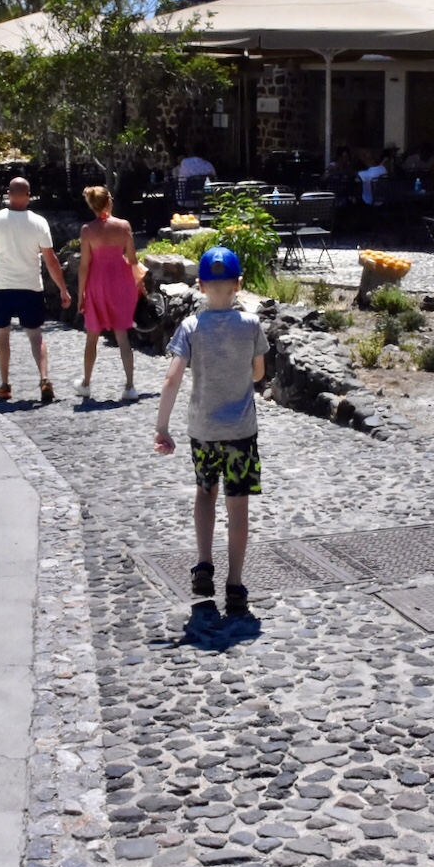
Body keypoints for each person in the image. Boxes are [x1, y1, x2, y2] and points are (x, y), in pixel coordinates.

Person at [153, 247, 268, 616]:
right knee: (238, 505)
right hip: (241, 433)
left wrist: (162, 427)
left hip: (203, 431)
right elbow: (259, 374)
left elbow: (172, 379)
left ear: (200, 286)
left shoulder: (191, 327)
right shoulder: (251, 325)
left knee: (205, 493)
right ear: (239, 284)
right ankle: (235, 583)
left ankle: (204, 563)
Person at [0, 177, 72, 403]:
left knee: (2, 333)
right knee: (36, 336)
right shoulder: (39, 223)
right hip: (31, 286)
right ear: (29, 195)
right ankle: (44, 378)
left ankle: (5, 384)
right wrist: (63, 289)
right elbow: (51, 261)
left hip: (2, 287)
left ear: (8, 194)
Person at [75, 185, 141, 401]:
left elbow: (84, 265)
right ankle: (130, 386)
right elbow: (133, 259)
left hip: (97, 282)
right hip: (121, 281)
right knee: (122, 335)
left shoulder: (87, 230)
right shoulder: (124, 226)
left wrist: (80, 294)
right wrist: (140, 284)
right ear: (108, 201)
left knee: (92, 335)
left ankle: (86, 383)